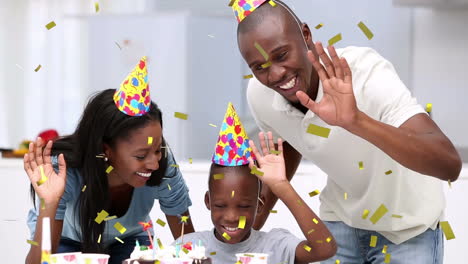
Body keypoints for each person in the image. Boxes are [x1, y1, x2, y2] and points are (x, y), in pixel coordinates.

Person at [231, 0, 462, 263]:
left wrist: (356, 121)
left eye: (282, 55)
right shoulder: (259, 95)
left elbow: (449, 164)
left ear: (306, 35)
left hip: (408, 229)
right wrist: (252, 223)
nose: (275, 74)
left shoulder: (366, 73)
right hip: (339, 222)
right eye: (259, 67)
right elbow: (290, 140)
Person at [25, 57, 194, 264]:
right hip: (66, 240)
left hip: (129, 239)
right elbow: (37, 262)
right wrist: (49, 204)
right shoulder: (61, 171)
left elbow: (189, 246)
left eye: (158, 150)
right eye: (141, 156)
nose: (154, 164)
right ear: (106, 150)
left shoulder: (164, 167)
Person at [175, 103, 336, 264]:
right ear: (208, 201)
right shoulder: (187, 248)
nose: (232, 217)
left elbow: (325, 248)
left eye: (244, 206)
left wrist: (282, 186)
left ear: (260, 205)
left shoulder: (276, 247)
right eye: (221, 205)